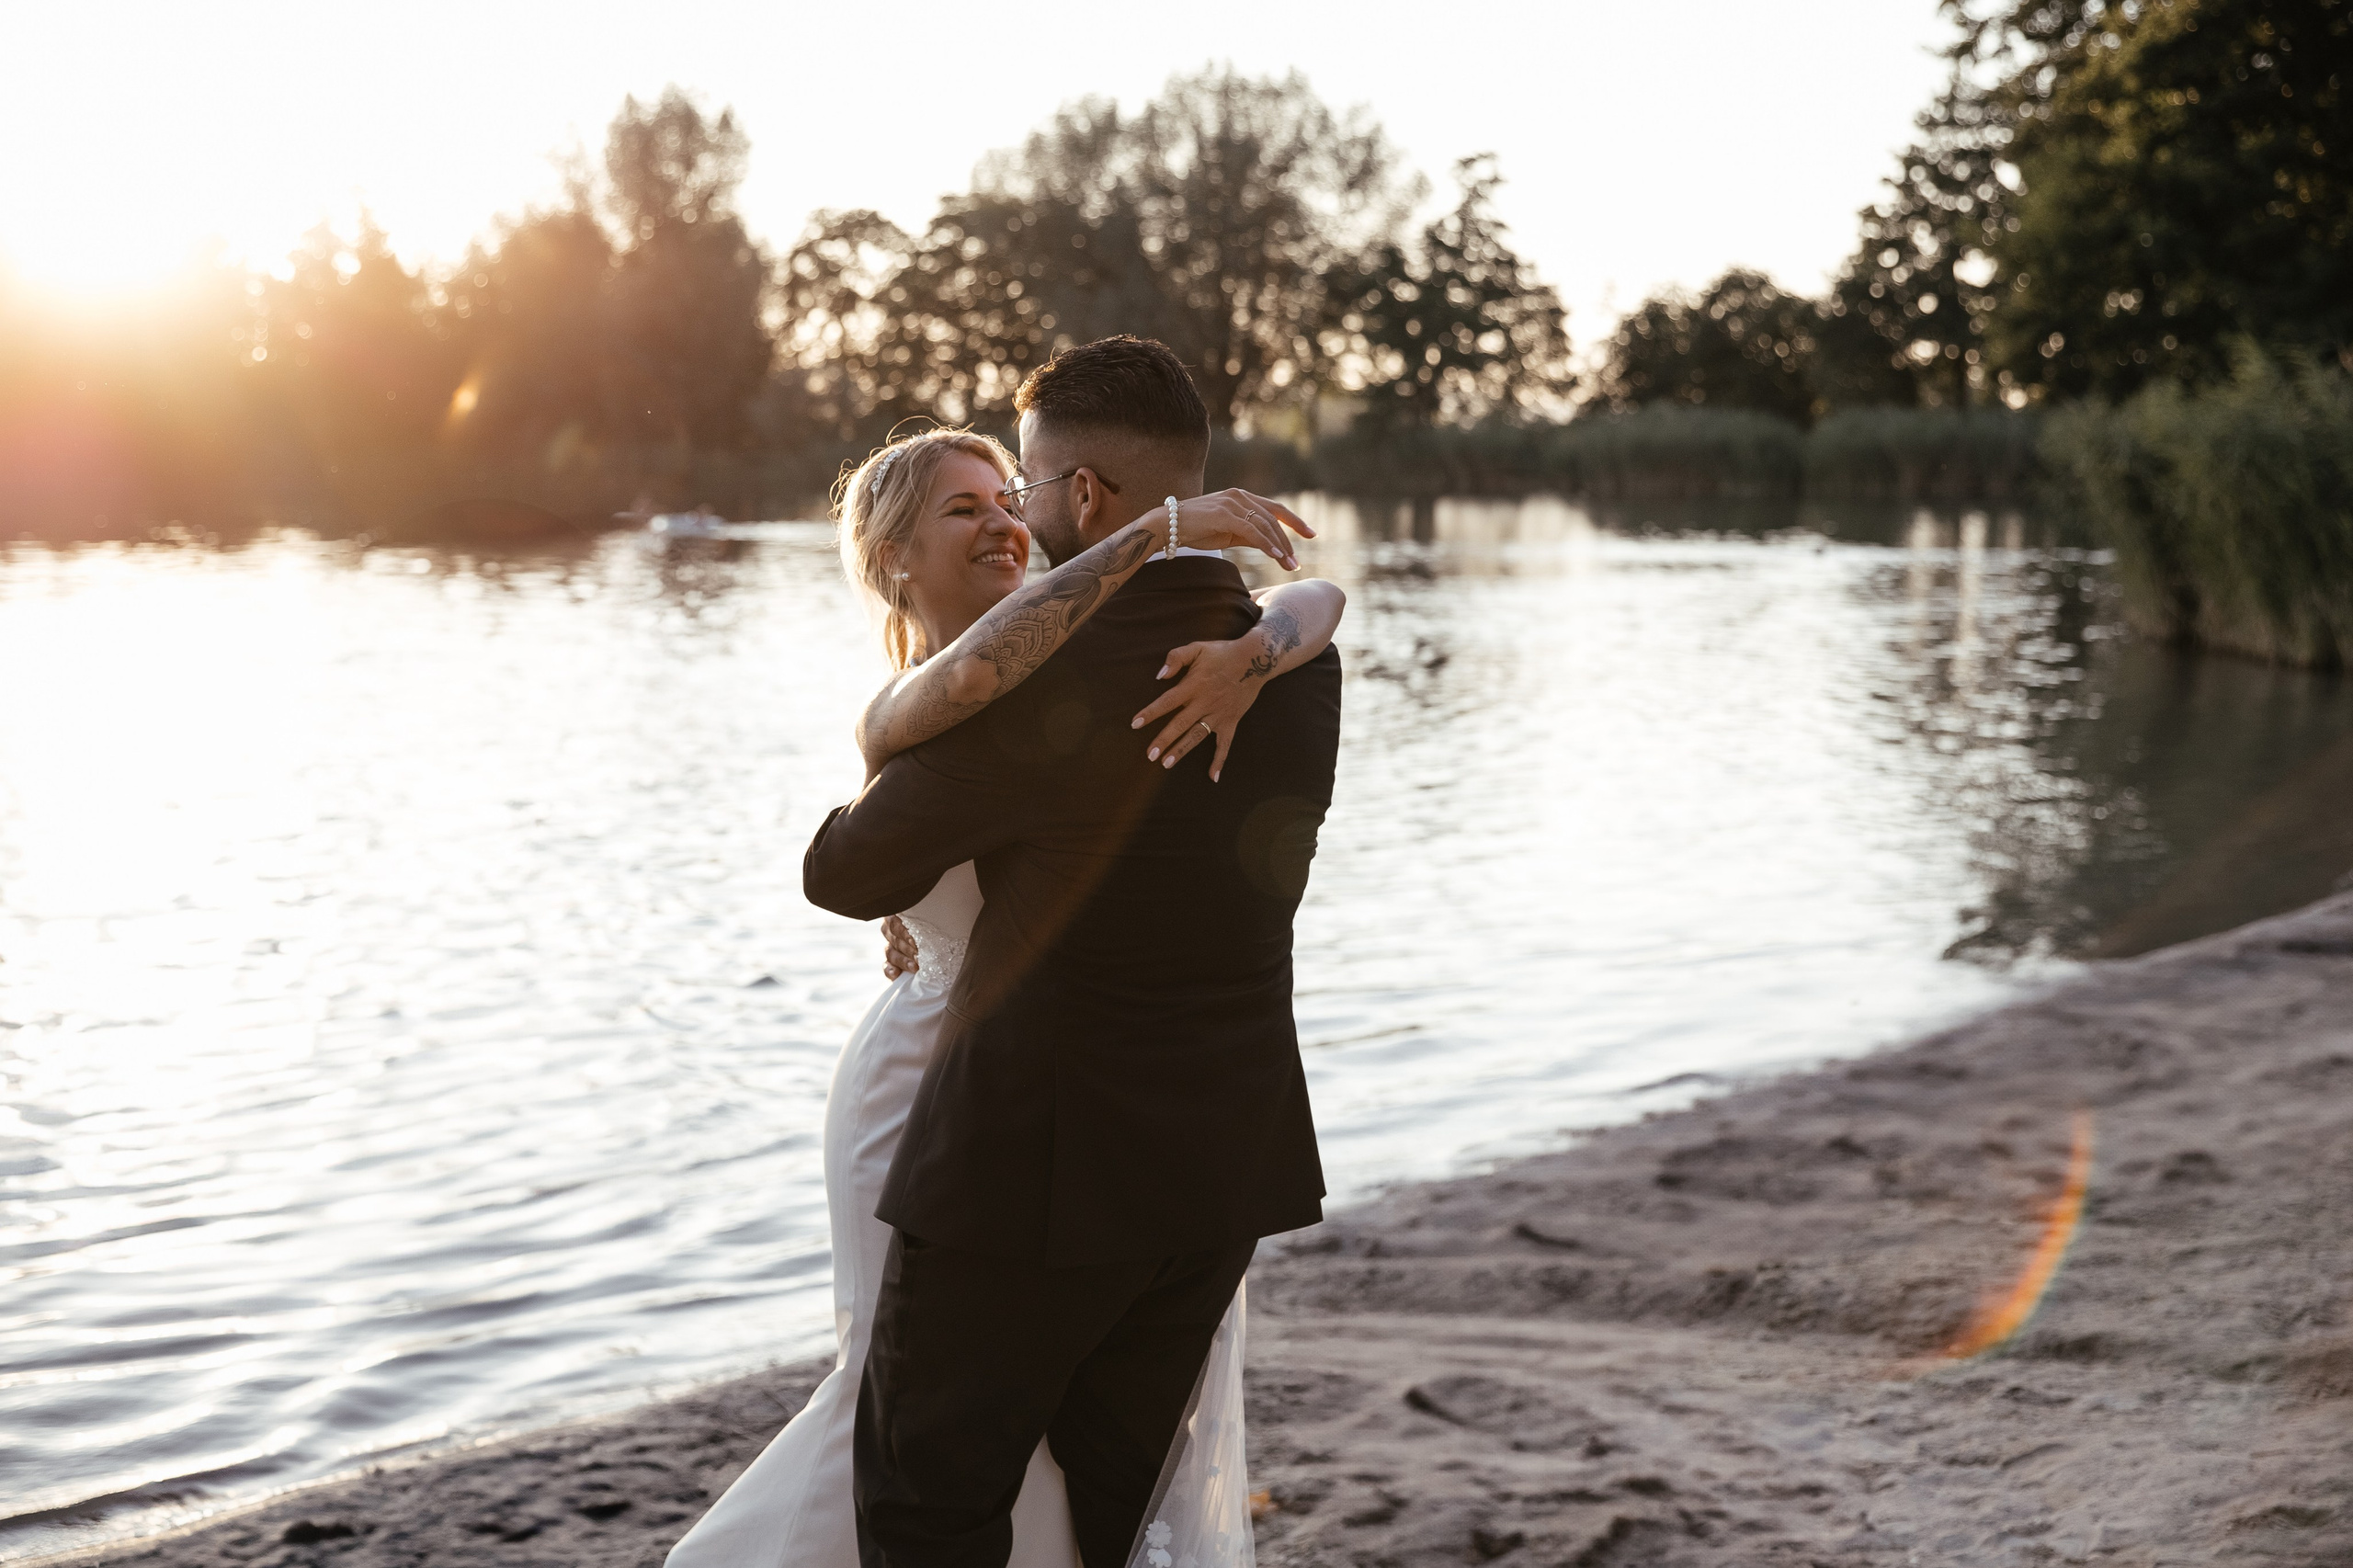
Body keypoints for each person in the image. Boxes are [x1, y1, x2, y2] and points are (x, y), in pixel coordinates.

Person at [668, 342, 1345, 1568]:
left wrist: (883, 748)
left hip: (1030, 1171)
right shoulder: (1292, 668)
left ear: (1083, 496)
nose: (1020, 519)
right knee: (1111, 1507)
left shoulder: (1036, 687)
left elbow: (846, 874)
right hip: (1216, 1174)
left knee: (932, 1499)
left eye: (1025, 486)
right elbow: (1312, 607)